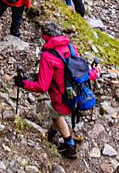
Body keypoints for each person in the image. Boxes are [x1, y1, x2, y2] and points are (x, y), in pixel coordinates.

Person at [14, 21, 98, 160]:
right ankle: (52, 134)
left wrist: (23, 84)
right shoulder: (71, 47)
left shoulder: (48, 56)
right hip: (76, 93)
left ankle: (70, 146)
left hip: (60, 97)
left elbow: (42, 86)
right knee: (55, 114)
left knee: (56, 113)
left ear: (45, 36)